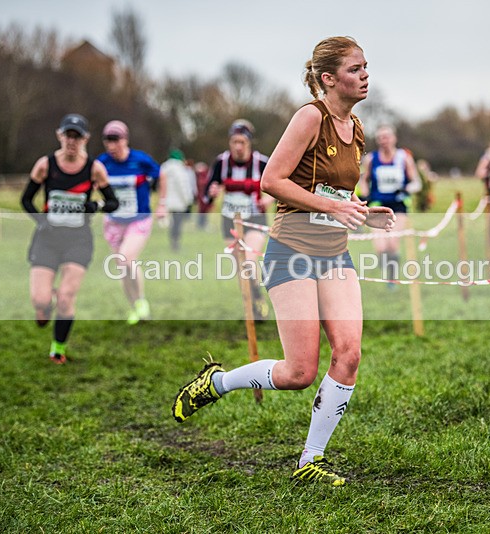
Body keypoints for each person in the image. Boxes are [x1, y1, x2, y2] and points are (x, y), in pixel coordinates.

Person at [172, 36, 395, 486]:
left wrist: (360, 210)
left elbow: (336, 190)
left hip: (335, 253)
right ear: (328, 79)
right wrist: (333, 208)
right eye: (355, 69)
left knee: (349, 355)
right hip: (291, 252)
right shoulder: (310, 117)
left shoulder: (358, 128)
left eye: (367, 67)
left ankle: (310, 460)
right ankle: (216, 383)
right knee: (299, 372)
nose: (365, 75)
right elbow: (270, 180)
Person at [20, 113, 118, 363]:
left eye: (77, 136)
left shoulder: (94, 168)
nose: (71, 141)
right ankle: (44, 304)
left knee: (65, 298)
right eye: (68, 135)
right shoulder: (45, 165)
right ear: (59, 136)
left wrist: (95, 207)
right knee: (40, 299)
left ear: (85, 139)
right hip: (47, 239)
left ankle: (57, 350)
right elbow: (26, 199)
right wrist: (42, 220)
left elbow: (113, 202)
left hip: (78, 240)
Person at [97, 120, 167, 324]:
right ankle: (136, 305)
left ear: (125, 139)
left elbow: (162, 176)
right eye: (108, 141)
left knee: (126, 259)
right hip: (113, 222)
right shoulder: (102, 163)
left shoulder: (140, 160)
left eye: (116, 140)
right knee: (122, 267)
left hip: (139, 219)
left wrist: (162, 204)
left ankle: (141, 302)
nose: (112, 146)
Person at [202, 119, 272, 319]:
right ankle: (251, 302)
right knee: (241, 268)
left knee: (249, 262)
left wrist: (268, 199)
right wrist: (212, 192)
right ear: (230, 142)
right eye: (235, 142)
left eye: (242, 142)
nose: (238, 147)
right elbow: (206, 194)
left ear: (249, 143)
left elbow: (280, 185)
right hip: (229, 221)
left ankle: (256, 301)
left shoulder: (262, 162)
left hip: (254, 220)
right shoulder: (221, 162)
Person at [358, 125, 421, 282]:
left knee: (392, 243)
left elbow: (416, 183)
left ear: (394, 138)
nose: (383, 140)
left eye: (386, 136)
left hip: (398, 205)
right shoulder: (371, 159)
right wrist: (365, 194)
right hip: (377, 205)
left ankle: (392, 276)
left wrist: (406, 189)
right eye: (380, 137)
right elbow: (363, 180)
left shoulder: (404, 158)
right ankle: (387, 267)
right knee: (380, 247)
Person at [161, 149, 196, 251]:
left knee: (171, 223)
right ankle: (175, 243)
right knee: (177, 223)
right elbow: (183, 186)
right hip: (178, 202)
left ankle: (172, 241)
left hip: (167, 201)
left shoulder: (164, 168)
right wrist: (188, 200)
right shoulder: (180, 169)